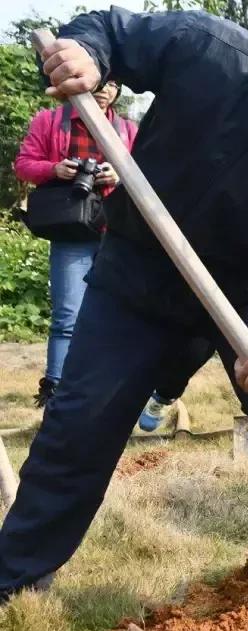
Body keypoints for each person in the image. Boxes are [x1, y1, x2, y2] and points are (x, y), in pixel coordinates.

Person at [0, 5, 248, 620]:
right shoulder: (209, 53)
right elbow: (111, 31)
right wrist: (85, 53)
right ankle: (15, 572)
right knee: (80, 421)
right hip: (140, 274)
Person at [14, 81, 136, 406]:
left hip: (118, 229)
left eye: (112, 83)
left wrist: (120, 175)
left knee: (125, 313)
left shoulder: (126, 129)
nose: (104, 89)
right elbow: (24, 164)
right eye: (99, 81)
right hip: (70, 229)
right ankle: (54, 390)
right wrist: (54, 169)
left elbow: (148, 171)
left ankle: (113, 389)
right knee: (68, 315)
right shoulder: (50, 121)